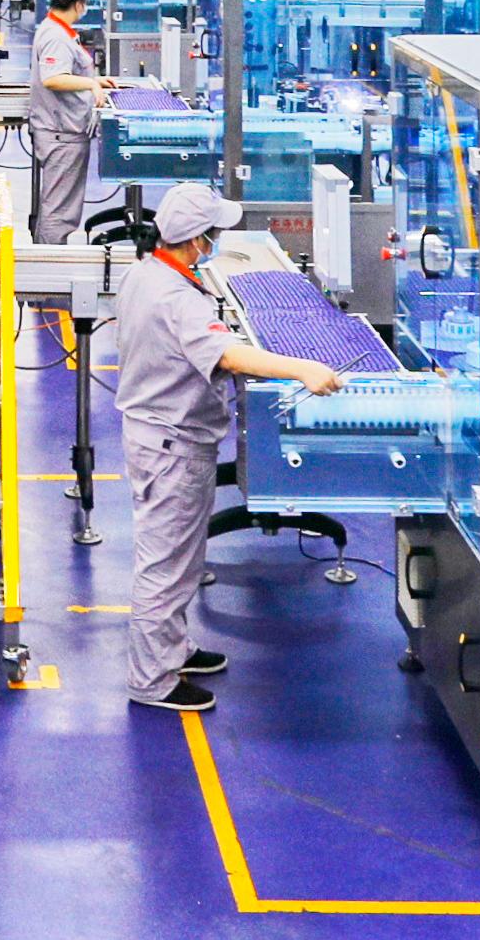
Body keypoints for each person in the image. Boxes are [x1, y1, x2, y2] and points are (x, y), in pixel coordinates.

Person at [117, 183, 344, 712]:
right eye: (213, 233)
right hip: (171, 446)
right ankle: (151, 680)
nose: (216, 240)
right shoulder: (177, 300)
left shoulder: (147, 273)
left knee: (182, 557)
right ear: (196, 239)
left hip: (162, 436)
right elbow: (229, 356)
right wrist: (303, 369)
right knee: (165, 566)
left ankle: (173, 648)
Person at [29, 0, 114, 244]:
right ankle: (48, 264)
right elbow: (53, 78)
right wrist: (90, 85)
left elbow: (64, 71)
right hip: (61, 135)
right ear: (79, 4)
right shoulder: (56, 36)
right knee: (59, 212)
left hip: (62, 131)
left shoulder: (56, 29)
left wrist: (94, 80)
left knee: (60, 207)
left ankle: (48, 257)